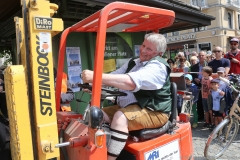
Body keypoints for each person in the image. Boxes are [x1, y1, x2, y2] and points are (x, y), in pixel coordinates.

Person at [81, 33, 172, 160]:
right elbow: (115, 76)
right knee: (95, 115)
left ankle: (109, 158)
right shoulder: (133, 62)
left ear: (159, 53)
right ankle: (96, 151)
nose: (143, 50)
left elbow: (130, 82)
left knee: (120, 118)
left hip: (155, 111)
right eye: (143, 45)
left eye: (149, 49)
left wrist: (96, 76)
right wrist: (92, 84)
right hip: (132, 106)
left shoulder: (158, 66)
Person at [190, 51, 208, 121]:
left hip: (206, 84)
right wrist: (195, 79)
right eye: (200, 55)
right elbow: (192, 75)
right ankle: (201, 115)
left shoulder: (208, 65)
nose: (201, 57)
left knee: (206, 101)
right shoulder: (194, 66)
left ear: (205, 56)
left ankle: (208, 118)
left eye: (202, 55)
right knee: (199, 101)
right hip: (198, 85)